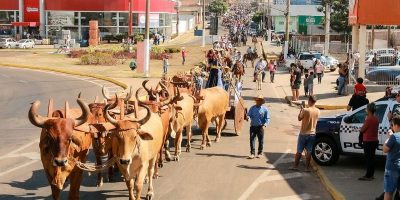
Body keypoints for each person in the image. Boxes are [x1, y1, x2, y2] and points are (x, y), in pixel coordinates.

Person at [290, 96, 320, 171]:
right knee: (309, 151)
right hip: (312, 133)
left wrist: (301, 110)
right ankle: (307, 167)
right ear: (315, 102)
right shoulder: (318, 111)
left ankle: (295, 166)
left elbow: (299, 118)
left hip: (303, 133)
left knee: (299, 151)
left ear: (309, 101)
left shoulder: (305, 110)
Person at [245, 95, 271, 159]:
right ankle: (252, 153)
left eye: (259, 100)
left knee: (261, 140)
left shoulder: (265, 109)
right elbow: (249, 115)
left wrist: (265, 124)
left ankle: (260, 153)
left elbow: (267, 118)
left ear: (262, 102)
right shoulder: (252, 108)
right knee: (252, 140)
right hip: (253, 126)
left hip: (260, 127)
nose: (258, 101)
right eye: (257, 100)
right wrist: (247, 117)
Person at [359, 103, 379, 181]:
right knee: (372, 158)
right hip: (374, 141)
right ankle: (371, 175)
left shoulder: (369, 119)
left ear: (369, 110)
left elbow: (362, 129)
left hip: (368, 141)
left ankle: (368, 175)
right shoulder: (376, 119)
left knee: (368, 159)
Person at [383, 116, 400, 200]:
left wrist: (388, 138)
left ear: (396, 125)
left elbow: (385, 149)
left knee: (388, 192)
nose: (392, 127)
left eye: (392, 125)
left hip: (392, 167)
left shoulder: (394, 137)